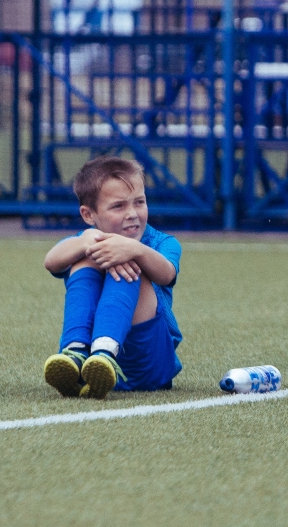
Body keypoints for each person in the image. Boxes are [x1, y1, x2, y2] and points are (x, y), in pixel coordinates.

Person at [41, 156, 183, 399]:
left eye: (139, 202)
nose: (132, 214)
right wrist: (83, 242)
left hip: (147, 363)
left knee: (127, 255)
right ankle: (76, 352)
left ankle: (105, 352)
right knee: (86, 255)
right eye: (118, 206)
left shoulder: (163, 242)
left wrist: (135, 250)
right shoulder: (87, 239)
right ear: (88, 214)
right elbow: (51, 261)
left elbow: (167, 273)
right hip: (89, 366)